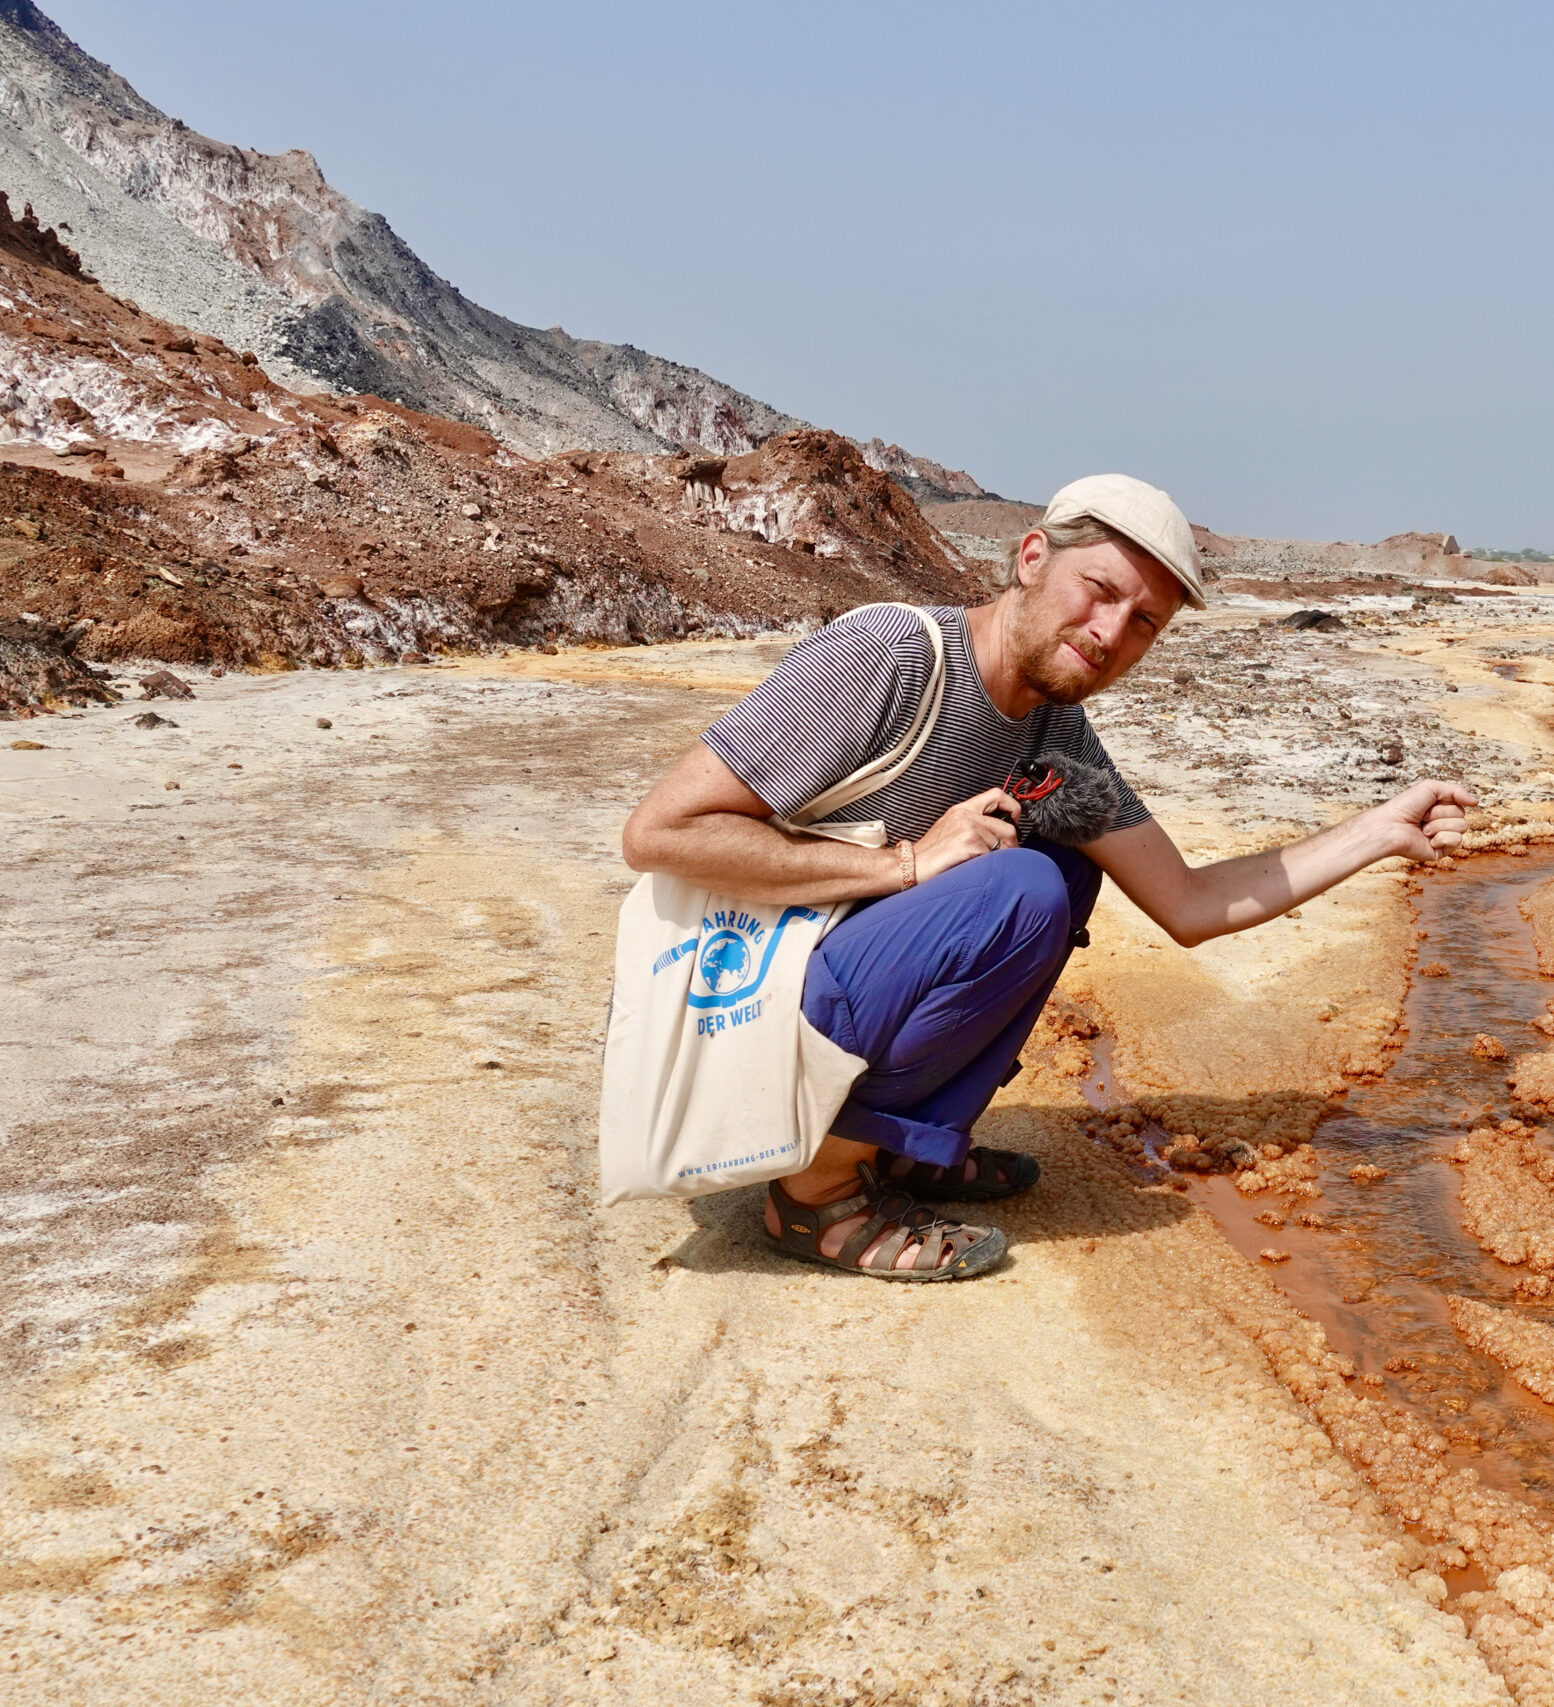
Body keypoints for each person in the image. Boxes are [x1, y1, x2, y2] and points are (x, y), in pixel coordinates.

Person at [621, 474, 1473, 1281]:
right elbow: (660, 833)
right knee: (1020, 889)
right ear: (1032, 559)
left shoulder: (1057, 739)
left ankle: (903, 1148)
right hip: (746, 1003)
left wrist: (1377, 832)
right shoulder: (889, 655)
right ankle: (816, 1195)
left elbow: (1190, 902)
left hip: (836, 982)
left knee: (1064, 870)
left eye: (1144, 621)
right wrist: (906, 864)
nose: (1111, 633)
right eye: (1099, 589)